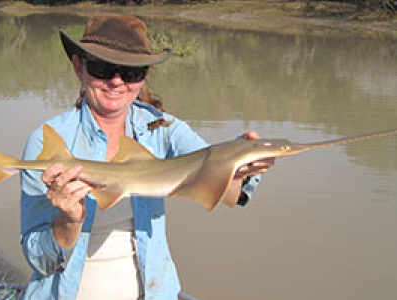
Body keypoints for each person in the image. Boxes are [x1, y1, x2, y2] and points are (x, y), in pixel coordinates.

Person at [19, 13, 274, 300]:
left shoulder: (164, 129)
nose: (116, 82)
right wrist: (69, 219)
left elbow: (227, 193)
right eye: (102, 68)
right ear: (79, 67)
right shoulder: (50, 140)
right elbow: (40, 260)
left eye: (130, 72)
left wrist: (238, 163)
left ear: (144, 76)